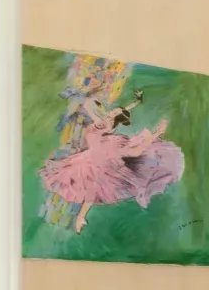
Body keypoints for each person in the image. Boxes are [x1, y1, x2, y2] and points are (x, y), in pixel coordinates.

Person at [38, 90, 184, 233]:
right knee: (68, 174)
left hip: (98, 163)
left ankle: (80, 218)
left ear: (114, 124)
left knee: (92, 186)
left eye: (111, 115)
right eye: (109, 113)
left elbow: (136, 151)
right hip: (86, 157)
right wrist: (136, 102)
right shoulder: (101, 124)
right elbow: (119, 111)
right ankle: (78, 216)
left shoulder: (113, 144)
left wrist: (157, 133)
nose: (108, 115)